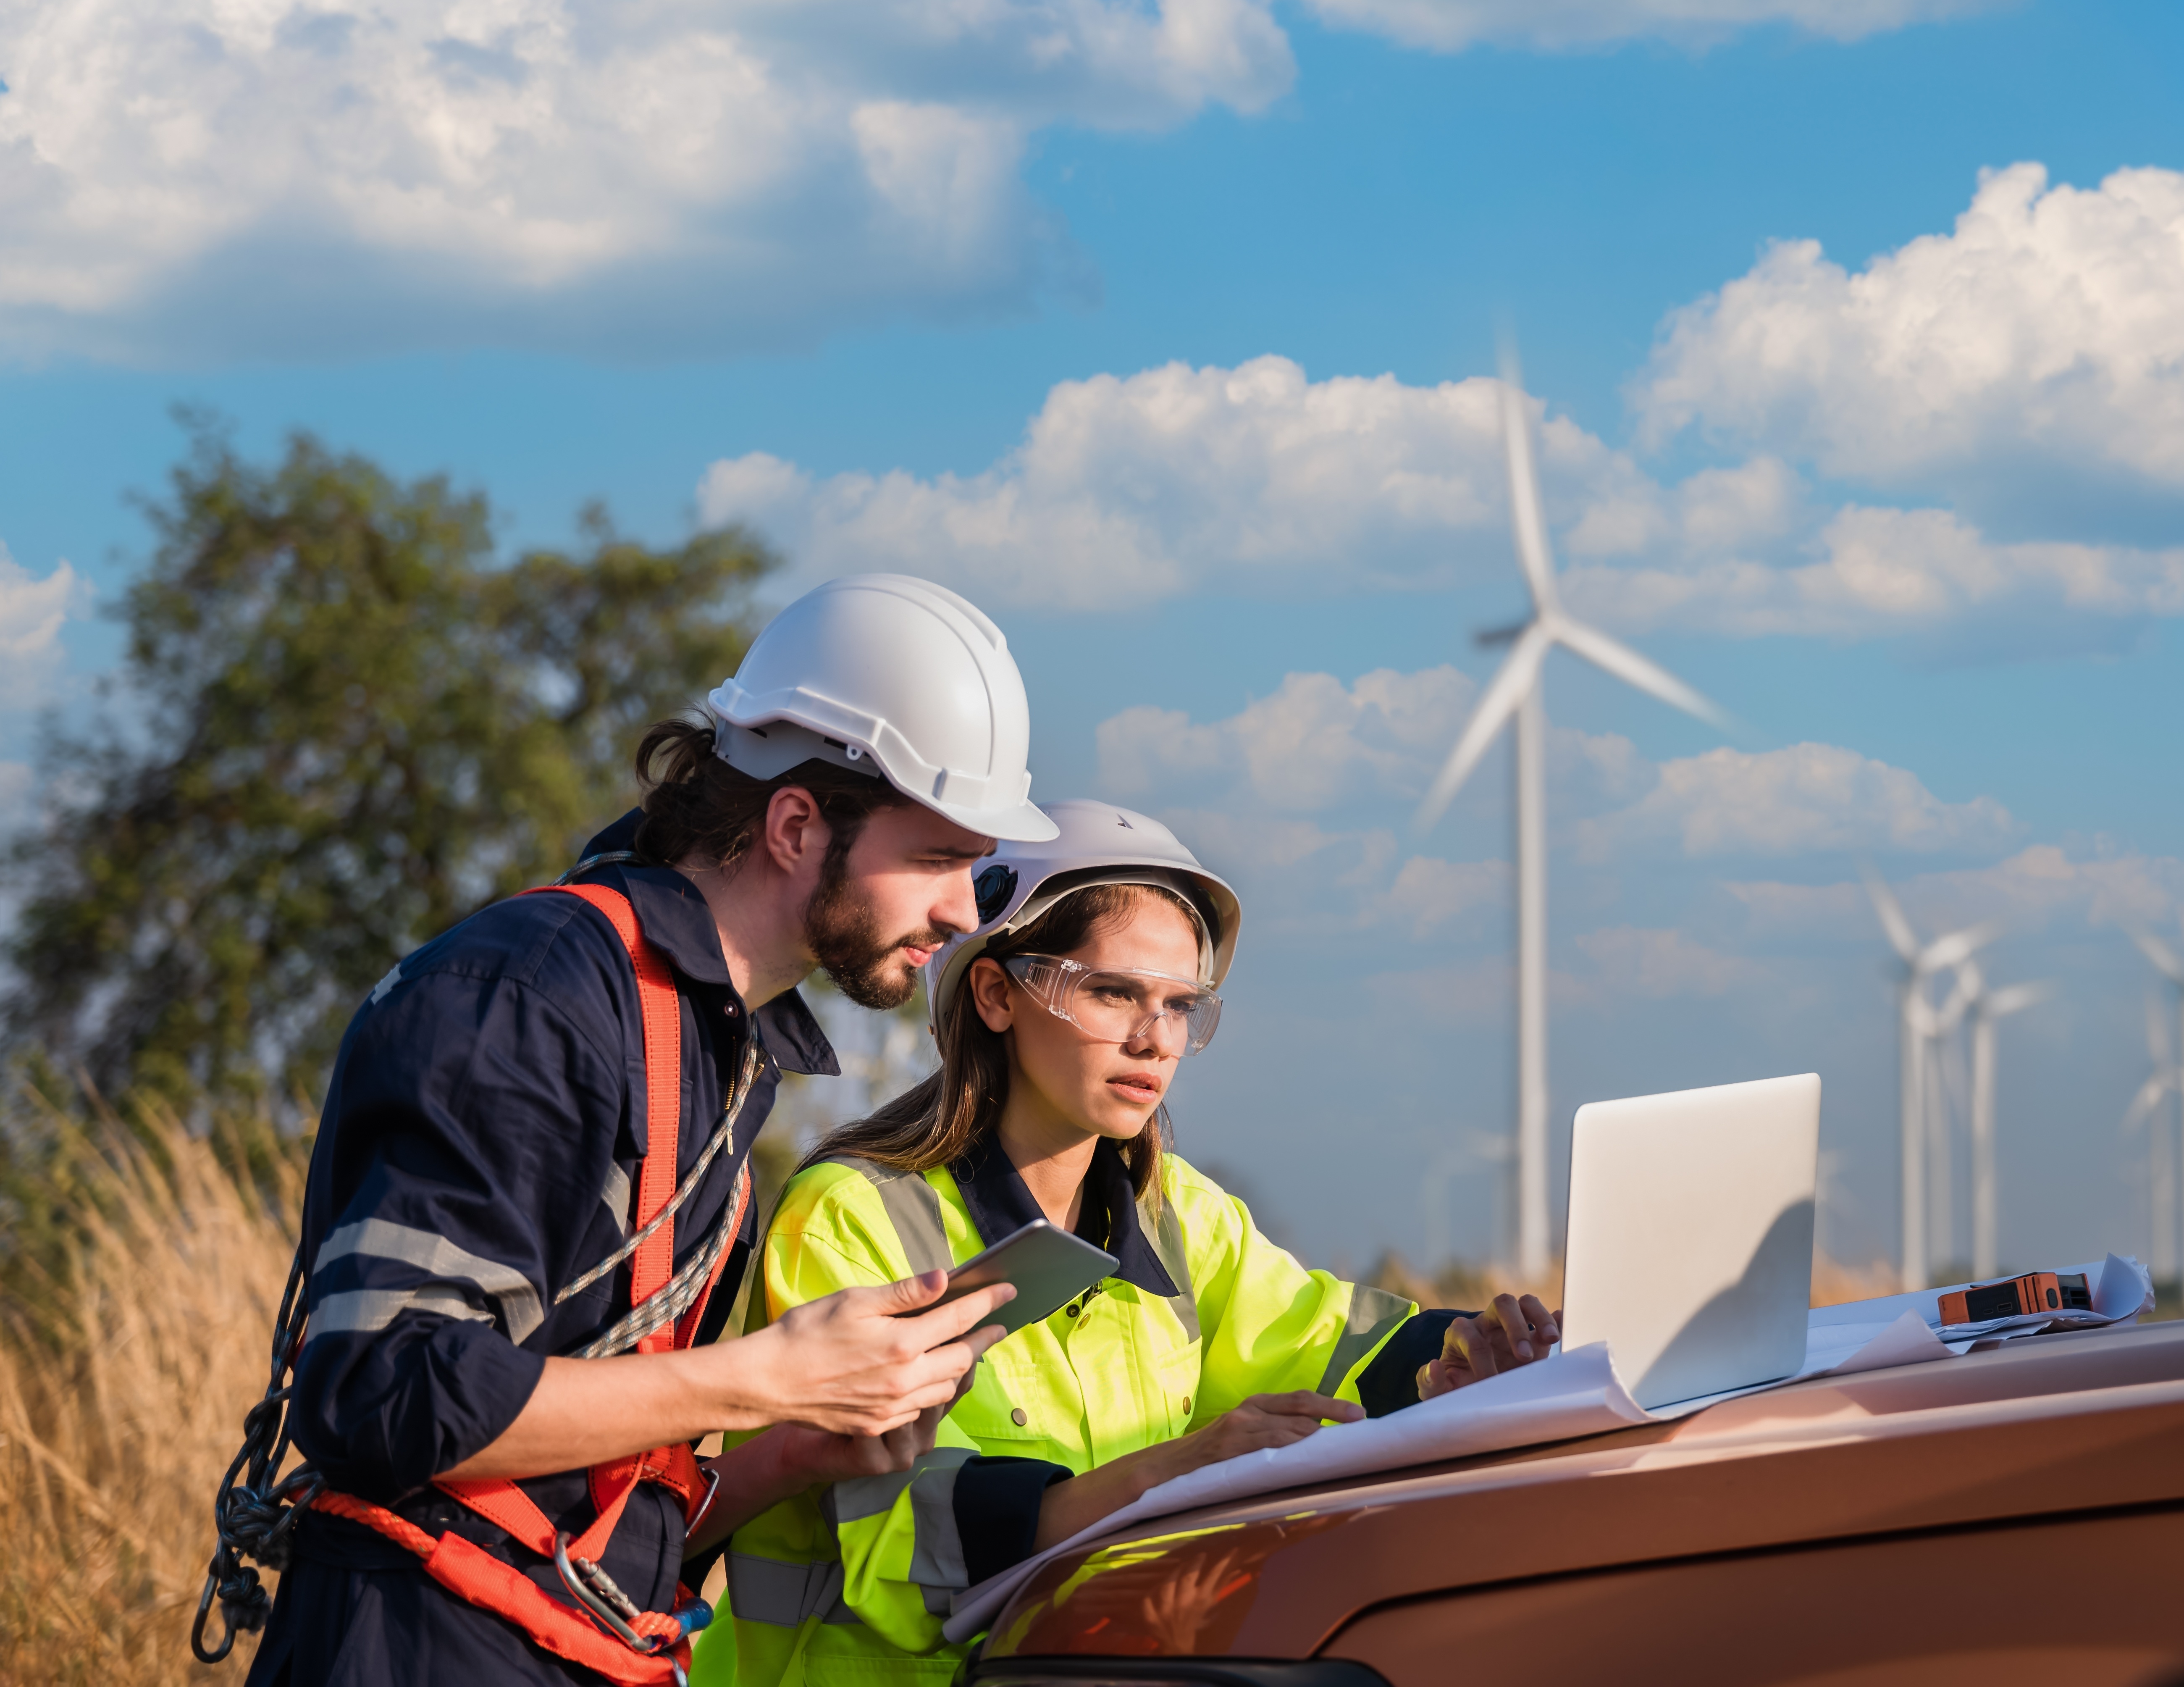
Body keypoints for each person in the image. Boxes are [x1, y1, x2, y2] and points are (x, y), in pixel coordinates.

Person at [220, 576, 1058, 1686]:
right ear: (796, 824)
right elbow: (383, 1392)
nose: (963, 914)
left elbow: (574, 1483)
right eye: (939, 858)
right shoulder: (527, 991)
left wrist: (794, 1454)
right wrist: (768, 1379)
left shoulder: (721, 1047)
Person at [696, 800, 1559, 1685]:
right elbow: (903, 1553)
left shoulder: (1175, 1211)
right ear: (996, 994)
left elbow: (1321, 1341)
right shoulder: (849, 1215)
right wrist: (1177, 1466)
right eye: (1113, 991)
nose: (1155, 1038)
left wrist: (1460, 1364)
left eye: (1180, 1004)